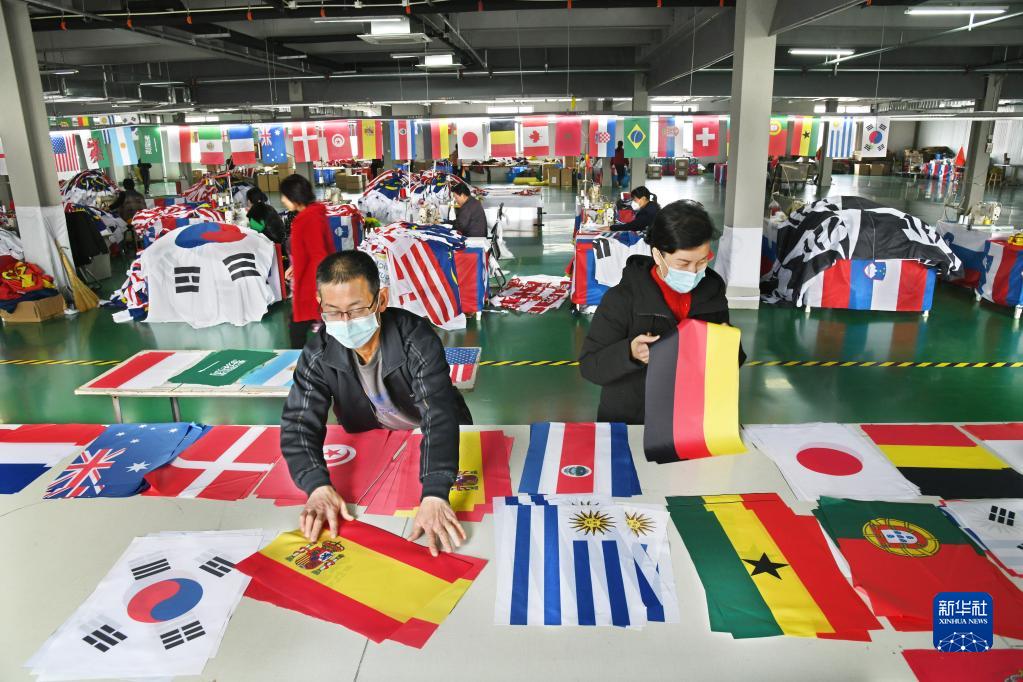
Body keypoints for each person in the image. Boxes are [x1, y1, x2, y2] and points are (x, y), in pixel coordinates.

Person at [281, 250, 473, 556]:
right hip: (376, 440)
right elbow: (299, 422)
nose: (345, 322)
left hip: (431, 441)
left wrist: (436, 492)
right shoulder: (319, 351)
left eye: (357, 310)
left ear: (381, 301)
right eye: (332, 311)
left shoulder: (415, 338)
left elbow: (438, 414)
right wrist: (316, 484)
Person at [579, 200, 745, 424]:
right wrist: (630, 353)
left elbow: (728, 363)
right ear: (658, 255)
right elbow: (590, 366)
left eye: (702, 261)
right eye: (683, 263)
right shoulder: (623, 299)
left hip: (691, 420)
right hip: (634, 421)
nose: (693, 272)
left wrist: (729, 345)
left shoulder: (712, 292)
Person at [279, 174, 333, 349]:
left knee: (297, 328)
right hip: (312, 280)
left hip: (312, 285)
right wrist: (295, 266)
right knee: (300, 327)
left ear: (295, 196)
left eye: (285, 196)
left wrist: (320, 287)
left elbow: (319, 254)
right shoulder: (314, 214)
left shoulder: (307, 219)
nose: (282, 200)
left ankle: (299, 364)